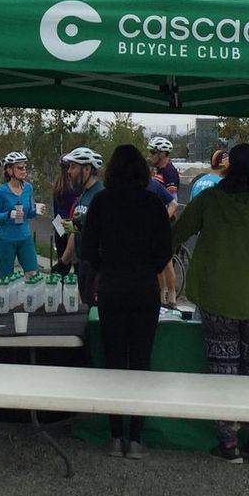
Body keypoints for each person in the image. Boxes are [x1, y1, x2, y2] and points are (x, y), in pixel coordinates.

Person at [180, 143, 249, 464]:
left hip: (217, 302)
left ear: (228, 167)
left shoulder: (209, 200)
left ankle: (228, 445)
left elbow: (177, 232)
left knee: (223, 374)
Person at [79, 145, 173, 459]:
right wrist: (148, 267)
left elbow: (87, 250)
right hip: (145, 288)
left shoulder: (101, 202)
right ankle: (136, 438)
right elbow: (165, 249)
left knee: (115, 361)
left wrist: (106, 266)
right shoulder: (153, 203)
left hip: (111, 288)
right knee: (141, 362)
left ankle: (115, 435)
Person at [58, 147, 104, 302]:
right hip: (82, 265)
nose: (69, 172)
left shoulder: (100, 195)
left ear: (87, 169)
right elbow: (78, 231)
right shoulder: (83, 196)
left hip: (97, 268)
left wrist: (79, 226)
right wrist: (63, 262)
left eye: (73, 167)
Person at [0, 152, 38, 279]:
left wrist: (36, 210)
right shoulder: (1, 191)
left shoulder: (28, 188)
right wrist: (8, 214)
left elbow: (29, 214)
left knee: (33, 274)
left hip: (25, 238)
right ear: (10, 170)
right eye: (20, 168)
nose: (24, 170)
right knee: (7, 279)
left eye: (25, 167)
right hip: (5, 240)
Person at [49, 158, 81, 275]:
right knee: (76, 261)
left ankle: (60, 283)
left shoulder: (58, 185)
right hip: (71, 224)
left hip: (59, 224)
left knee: (62, 262)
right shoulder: (76, 187)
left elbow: (55, 209)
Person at [147, 137, 181, 211]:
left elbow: (173, 203)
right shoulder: (159, 170)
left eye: (153, 152)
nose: (150, 155)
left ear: (163, 154)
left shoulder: (169, 172)